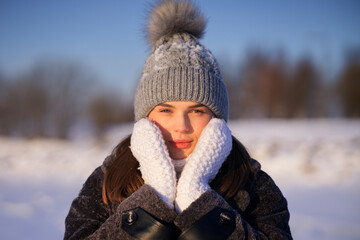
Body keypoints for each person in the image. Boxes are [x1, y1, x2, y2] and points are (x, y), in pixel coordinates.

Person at [64, 0, 292, 239]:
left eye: (196, 111)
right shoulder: (108, 180)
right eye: (166, 110)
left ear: (216, 118)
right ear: (144, 118)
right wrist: (152, 202)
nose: (181, 127)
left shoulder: (253, 184)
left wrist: (200, 203)